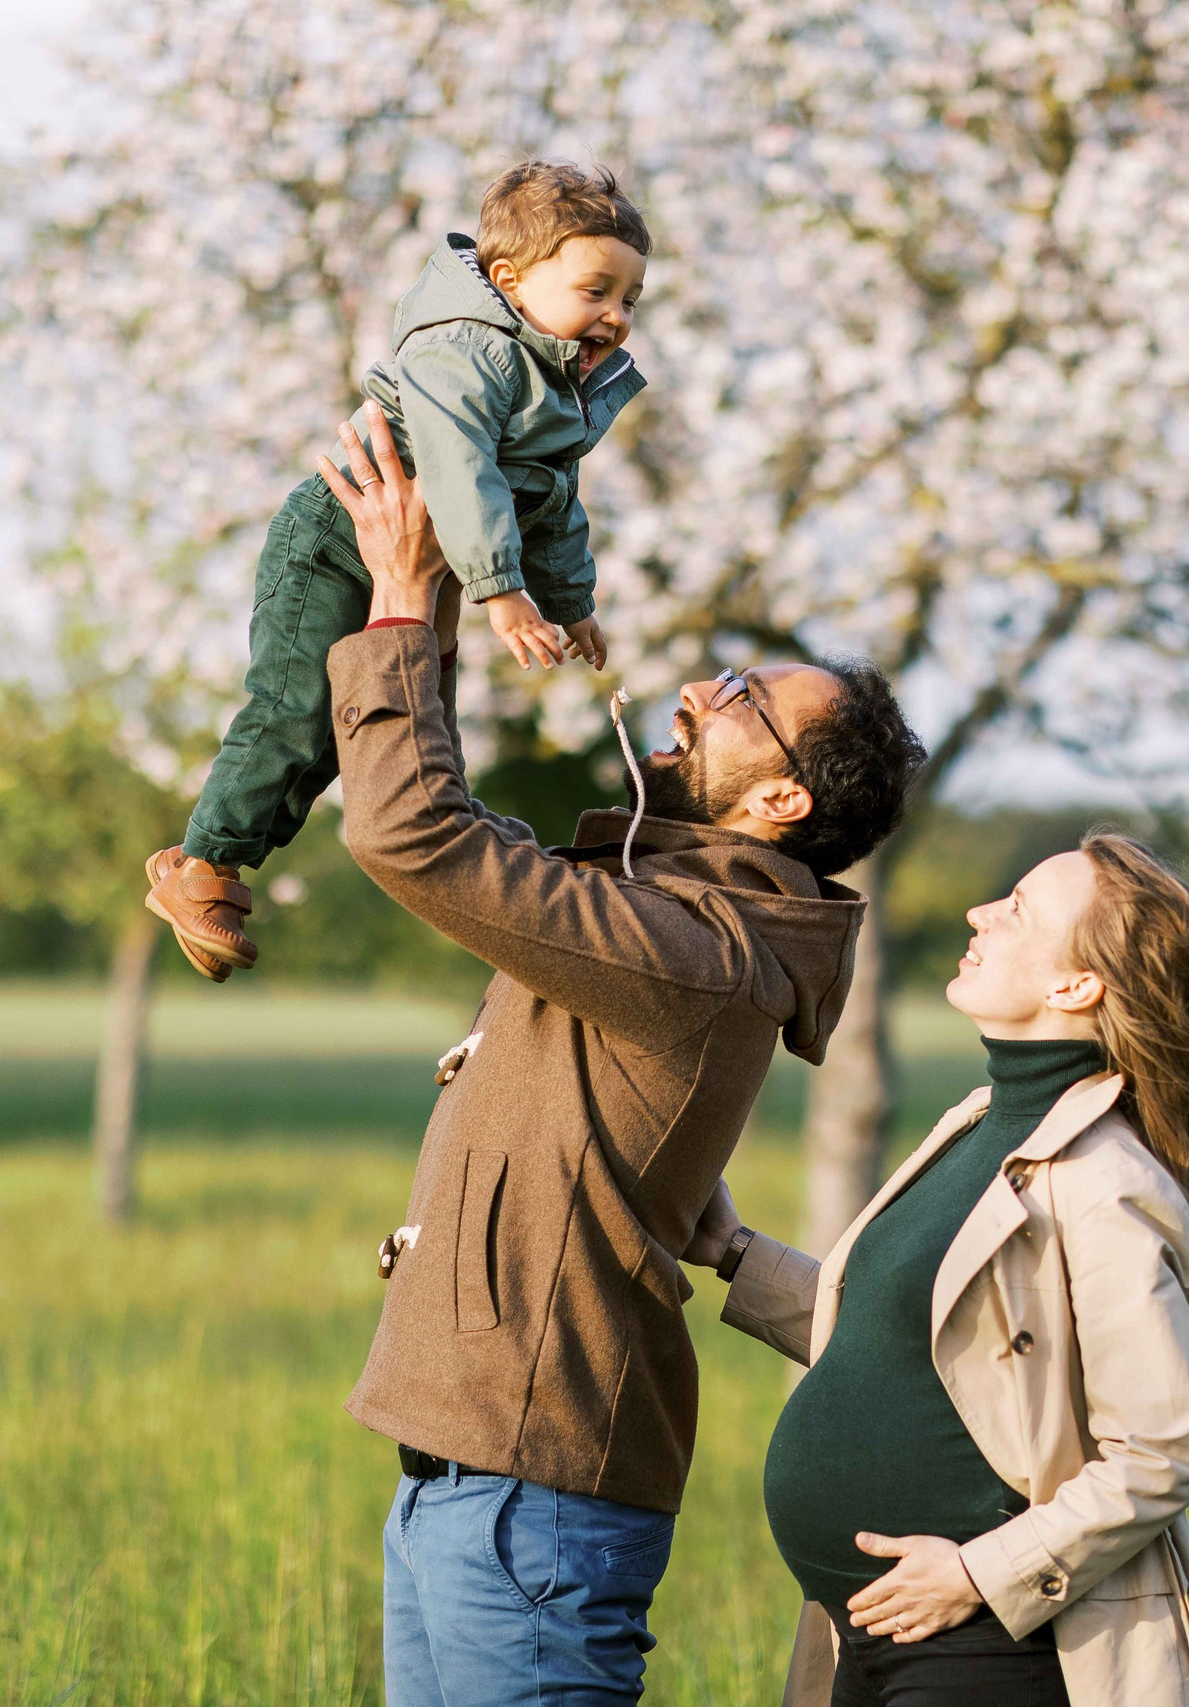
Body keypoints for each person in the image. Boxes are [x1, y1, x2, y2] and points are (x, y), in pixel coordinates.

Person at [310, 400, 927, 1707]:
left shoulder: (696, 951)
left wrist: (407, 600)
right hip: (470, 1483)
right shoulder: (680, 921)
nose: (706, 684)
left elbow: (414, 833)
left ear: (781, 805)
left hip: (529, 1503)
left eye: (748, 697)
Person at [689, 833, 1189, 1706]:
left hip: (985, 1651)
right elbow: (927, 1347)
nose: (979, 912)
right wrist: (736, 1255)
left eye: (1019, 908)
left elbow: (1159, 1451)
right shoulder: (984, 1120)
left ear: (1075, 986)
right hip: (867, 1640)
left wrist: (980, 1575)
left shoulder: (1106, 1181)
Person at [145, 161, 653, 979]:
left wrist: (571, 602)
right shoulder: (467, 351)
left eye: (631, 299)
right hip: (334, 541)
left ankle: (219, 859)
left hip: (417, 552)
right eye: (596, 290)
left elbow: (553, 497)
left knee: (347, 738)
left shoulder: (557, 387)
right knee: (295, 709)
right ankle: (202, 862)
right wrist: (504, 592)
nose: (616, 316)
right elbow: (457, 469)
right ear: (508, 279)